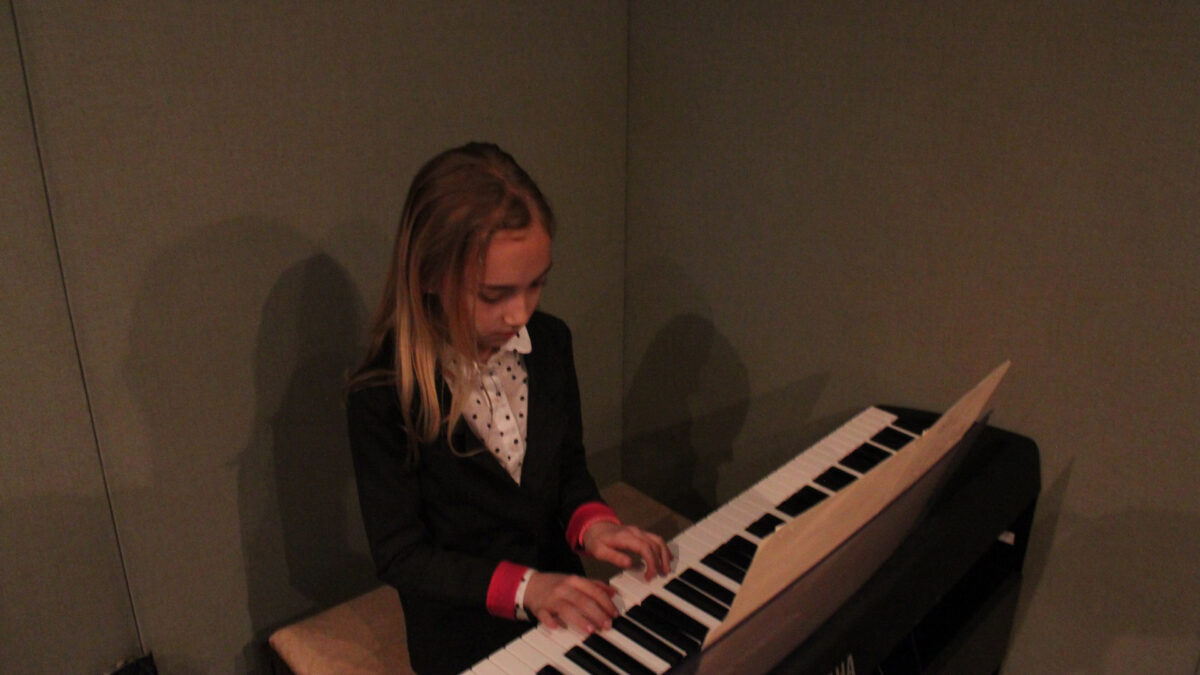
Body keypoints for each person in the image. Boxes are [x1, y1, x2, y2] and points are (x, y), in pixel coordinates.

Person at [346, 142, 672, 674]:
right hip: (464, 637)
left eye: (536, 283)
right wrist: (527, 588)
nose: (519, 314)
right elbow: (404, 555)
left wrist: (596, 528)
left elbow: (565, 469)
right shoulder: (383, 393)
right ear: (428, 275)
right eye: (493, 294)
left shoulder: (550, 343)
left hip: (566, 602)